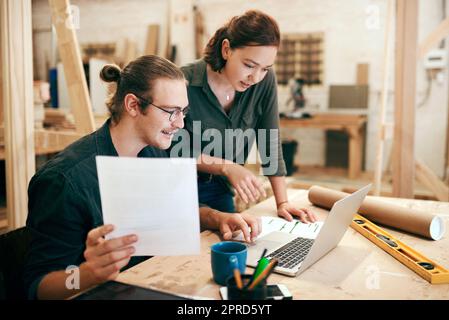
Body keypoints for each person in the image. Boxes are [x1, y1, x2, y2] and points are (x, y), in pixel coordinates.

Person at [24, 55, 261, 300]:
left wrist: (217, 217)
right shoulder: (63, 181)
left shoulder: (154, 151)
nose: (180, 123)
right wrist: (87, 274)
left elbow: (172, 211)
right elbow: (38, 287)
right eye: (171, 112)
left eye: (183, 112)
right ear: (133, 105)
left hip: (149, 284)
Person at [173, 10, 317, 222]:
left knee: (232, 241)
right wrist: (227, 166)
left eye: (265, 68)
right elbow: (171, 149)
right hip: (176, 187)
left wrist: (282, 202)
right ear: (226, 50)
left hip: (220, 188)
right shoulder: (182, 81)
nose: (255, 77)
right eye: (249, 65)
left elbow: (270, 141)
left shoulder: (264, 82)